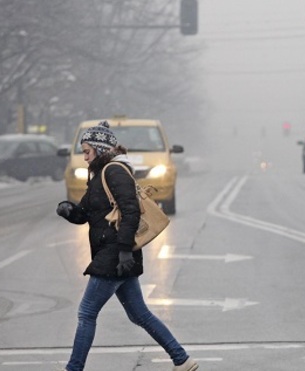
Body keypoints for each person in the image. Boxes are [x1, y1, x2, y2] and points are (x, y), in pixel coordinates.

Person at [56, 121, 198, 371]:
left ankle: (73, 368)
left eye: (87, 150)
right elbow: (85, 213)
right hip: (115, 254)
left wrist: (123, 250)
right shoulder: (99, 175)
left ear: (100, 149)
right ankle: (181, 359)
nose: (84, 156)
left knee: (86, 312)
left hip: (114, 254)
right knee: (139, 315)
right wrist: (68, 210)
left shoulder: (115, 171)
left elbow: (131, 211)